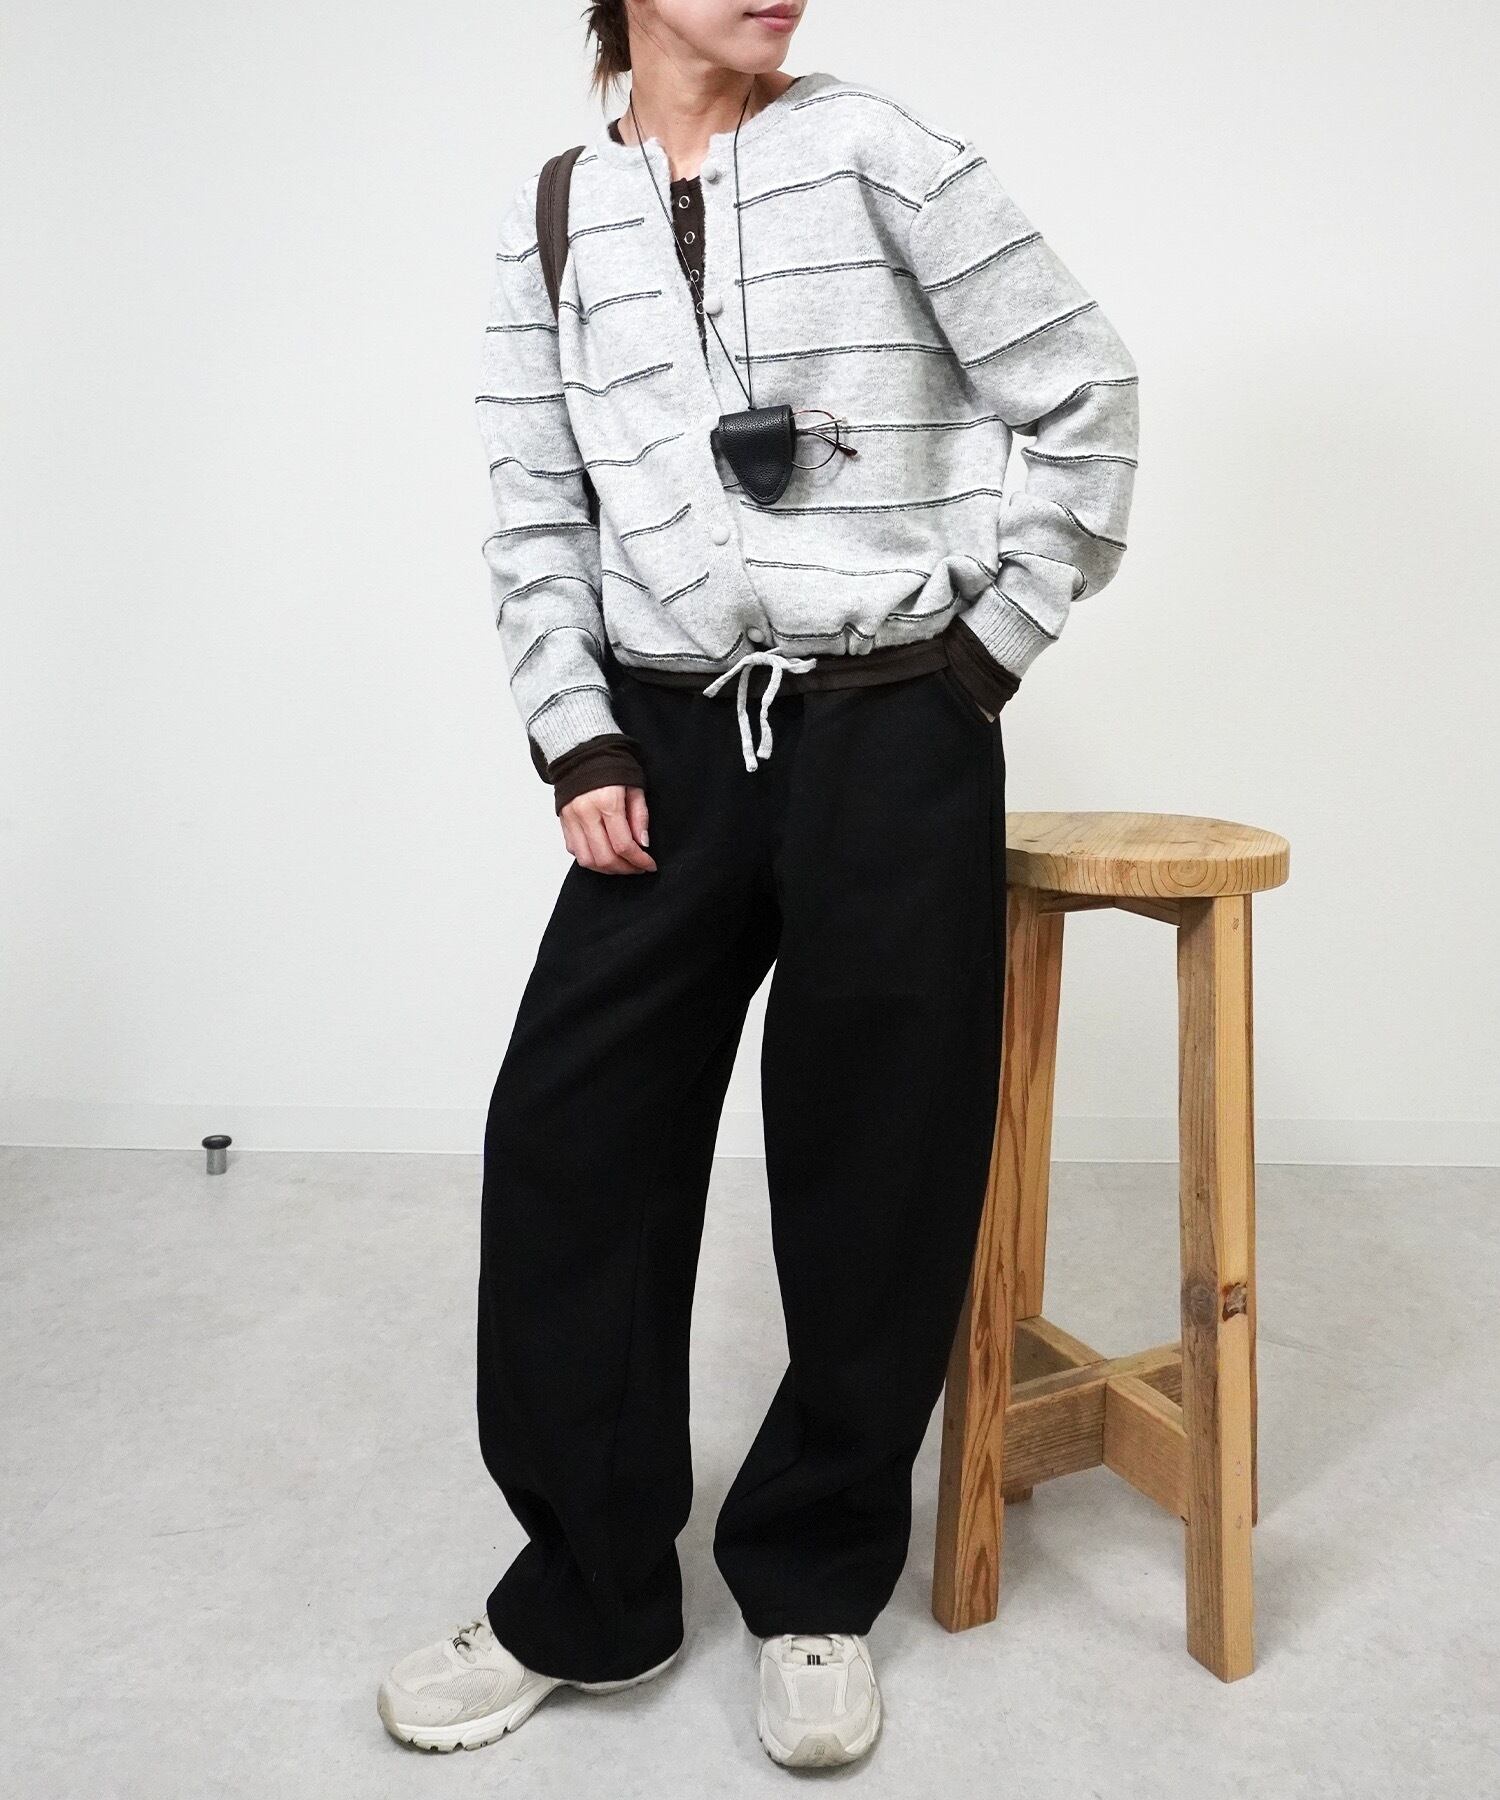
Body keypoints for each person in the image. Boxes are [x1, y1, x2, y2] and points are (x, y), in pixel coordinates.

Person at [378, 0, 1138, 1770]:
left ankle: (813, 1583)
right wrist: (579, 737)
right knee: (572, 1142)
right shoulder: (556, 212)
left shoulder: (881, 149)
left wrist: (982, 661)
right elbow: (533, 511)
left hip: (893, 725)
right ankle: (589, 1592)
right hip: (664, 738)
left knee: (878, 1160)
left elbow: (1087, 392)